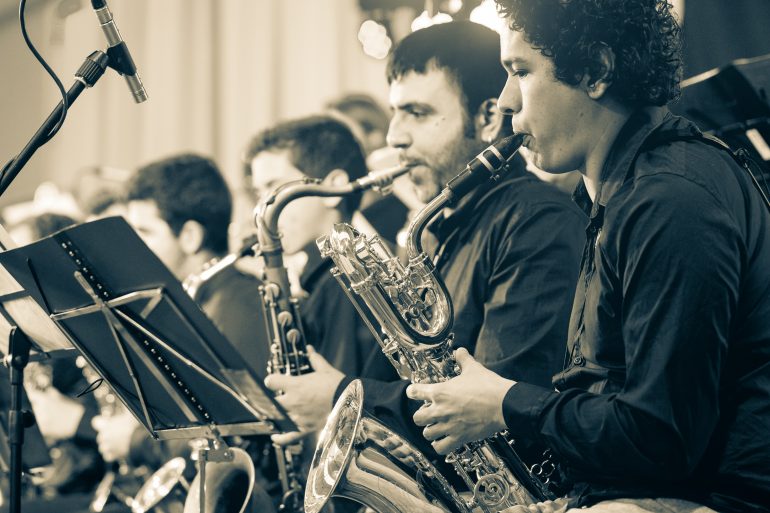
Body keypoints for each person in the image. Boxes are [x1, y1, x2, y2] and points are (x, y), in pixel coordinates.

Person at [406, 2, 770, 512]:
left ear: (596, 70)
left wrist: (506, 404)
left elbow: (662, 438)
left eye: (521, 71)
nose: (507, 102)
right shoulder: (618, 194)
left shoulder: (671, 200)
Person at [265, 20, 586, 466]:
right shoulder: (430, 230)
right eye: (394, 112)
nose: (394, 136)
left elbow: (500, 405)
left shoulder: (538, 222)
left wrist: (340, 400)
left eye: (416, 113)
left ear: (488, 117)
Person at [91, 154, 274, 512]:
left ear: (189, 235)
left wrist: (137, 440)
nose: (131, 250)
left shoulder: (236, 305)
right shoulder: (201, 297)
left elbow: (240, 431)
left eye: (144, 232)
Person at [243, 115, 400, 436]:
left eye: (274, 187)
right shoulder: (324, 275)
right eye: (258, 191)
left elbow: (346, 404)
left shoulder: (347, 277)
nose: (261, 209)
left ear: (333, 188)